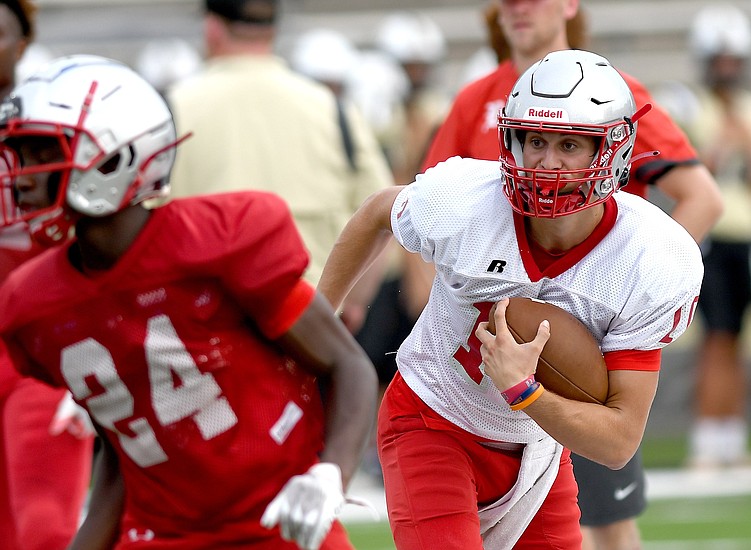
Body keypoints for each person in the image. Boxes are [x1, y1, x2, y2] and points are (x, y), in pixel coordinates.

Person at [318, 48, 703, 550]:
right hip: (433, 419)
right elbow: (377, 212)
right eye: (535, 140)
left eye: (569, 145)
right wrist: (312, 326)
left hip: (537, 447)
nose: (546, 162)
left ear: (612, 149)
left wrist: (525, 391)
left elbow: (618, 441)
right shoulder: (467, 199)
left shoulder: (649, 255)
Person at [0, 54, 378, 550]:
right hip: (160, 533)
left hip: (279, 519)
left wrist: (330, 474)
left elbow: (347, 365)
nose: (21, 175)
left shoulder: (218, 241)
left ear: (112, 156)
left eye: (39, 152)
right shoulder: (37, 302)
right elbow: (127, 442)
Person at [420, 2, 723, 549]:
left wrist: (630, 290)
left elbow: (701, 196)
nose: (517, 8)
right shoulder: (476, 99)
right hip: (486, 354)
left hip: (577, 344)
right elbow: (426, 212)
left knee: (604, 522)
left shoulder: (612, 92)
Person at [167, 0, 393, 300]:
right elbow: (384, 213)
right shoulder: (332, 108)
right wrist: (350, 302)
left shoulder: (171, 109)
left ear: (212, 28)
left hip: (206, 323)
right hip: (311, 322)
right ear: (273, 30)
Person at [0, 2, 94, 549]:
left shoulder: (53, 128)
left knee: (44, 529)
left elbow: (102, 240)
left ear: (22, 41)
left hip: (43, 349)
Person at [678, 4, 751, 469]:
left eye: (734, 61)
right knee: (715, 338)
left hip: (746, 235)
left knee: (738, 338)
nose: (728, 70)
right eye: (720, 61)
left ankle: (731, 441)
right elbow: (688, 179)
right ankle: (706, 441)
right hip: (710, 238)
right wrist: (719, 147)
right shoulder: (690, 107)